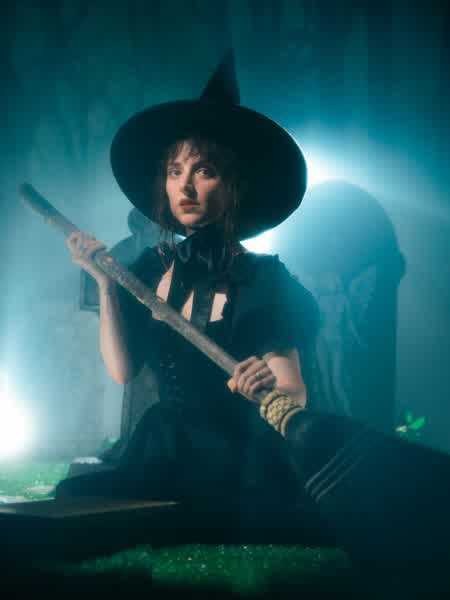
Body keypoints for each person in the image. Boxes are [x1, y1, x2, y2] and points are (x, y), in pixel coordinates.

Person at [55, 52, 327, 541]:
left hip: (235, 456)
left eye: (204, 171)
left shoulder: (261, 278)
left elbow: (293, 391)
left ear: (233, 185)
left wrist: (266, 381)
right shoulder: (146, 270)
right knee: (75, 499)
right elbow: (123, 371)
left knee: (193, 523)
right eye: (174, 170)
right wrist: (106, 286)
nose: (185, 186)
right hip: (160, 447)